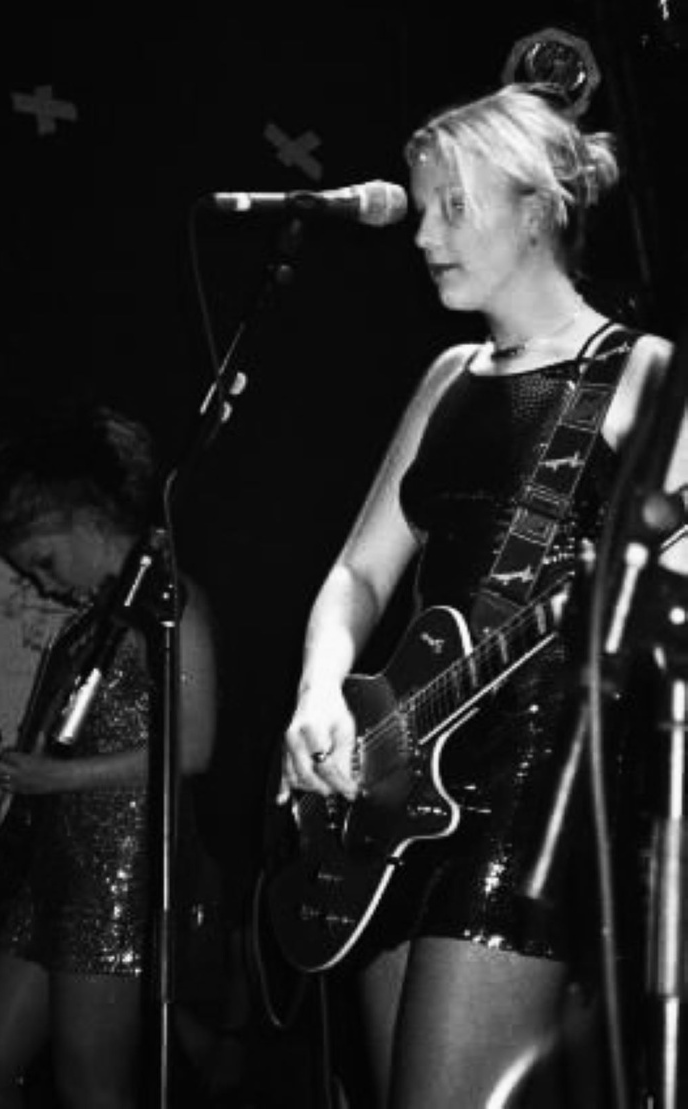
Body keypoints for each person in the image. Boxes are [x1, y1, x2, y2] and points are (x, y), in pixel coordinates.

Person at [280, 83, 688, 1107]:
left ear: (538, 208)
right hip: (397, 784)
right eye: (422, 208)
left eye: (452, 206)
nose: (423, 235)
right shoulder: (448, 374)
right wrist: (320, 692)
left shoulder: (646, 374)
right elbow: (358, 572)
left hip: (538, 784)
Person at [0, 404, 218, 1109]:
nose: (43, 584)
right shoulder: (90, 626)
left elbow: (193, 748)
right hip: (53, 872)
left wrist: (56, 777)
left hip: (116, 873)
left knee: (91, 1086)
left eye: (45, 561)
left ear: (90, 524)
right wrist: (9, 792)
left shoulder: (172, 599)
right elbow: (59, 737)